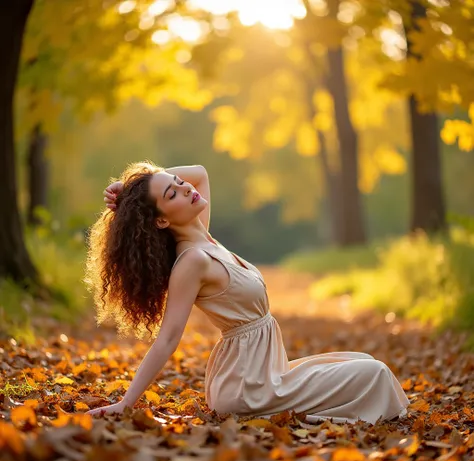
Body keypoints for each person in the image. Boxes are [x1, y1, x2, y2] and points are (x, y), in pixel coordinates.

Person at [84, 161, 410, 424]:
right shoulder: (193, 262)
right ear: (161, 221)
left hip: (266, 372)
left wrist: (131, 189)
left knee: (362, 361)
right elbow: (167, 339)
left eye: (177, 182)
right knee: (374, 373)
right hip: (247, 383)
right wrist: (127, 402)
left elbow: (200, 173)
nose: (186, 187)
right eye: (173, 194)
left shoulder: (205, 238)